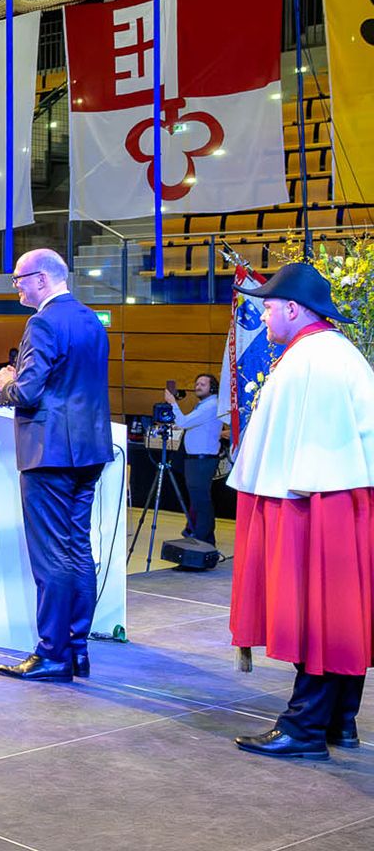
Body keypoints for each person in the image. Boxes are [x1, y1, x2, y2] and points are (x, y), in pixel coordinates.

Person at [225, 261, 374, 759]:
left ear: (292, 308)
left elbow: (309, 458)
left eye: (268, 307)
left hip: (318, 504)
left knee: (317, 612)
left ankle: (305, 727)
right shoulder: (333, 352)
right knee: (337, 612)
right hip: (336, 500)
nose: (264, 316)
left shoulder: (313, 358)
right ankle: (339, 721)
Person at [0, 248, 111, 683]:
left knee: (51, 556)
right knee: (78, 549)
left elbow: (26, 392)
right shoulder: (90, 320)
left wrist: (6, 382)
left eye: (20, 278)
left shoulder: (42, 322)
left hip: (50, 453)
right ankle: (77, 648)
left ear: (42, 279)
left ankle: (52, 652)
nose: (17, 286)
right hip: (89, 450)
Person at [164, 373, 226, 545]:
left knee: (201, 502)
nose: (197, 386)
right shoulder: (203, 406)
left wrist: (173, 403)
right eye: (197, 383)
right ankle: (201, 538)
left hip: (202, 461)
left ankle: (203, 540)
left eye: (202, 384)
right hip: (197, 460)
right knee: (198, 501)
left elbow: (183, 422)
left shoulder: (211, 405)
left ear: (212, 387)